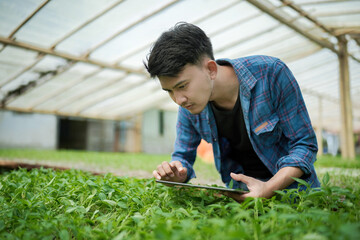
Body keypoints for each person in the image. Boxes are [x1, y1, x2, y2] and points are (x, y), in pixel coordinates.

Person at [144, 22, 320, 202]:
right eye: (170, 91)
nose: (178, 99)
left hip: (295, 193)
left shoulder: (271, 74)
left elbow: (305, 144)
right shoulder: (189, 105)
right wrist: (177, 173)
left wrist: (268, 188)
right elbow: (182, 156)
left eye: (182, 86)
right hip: (240, 197)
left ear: (211, 69)